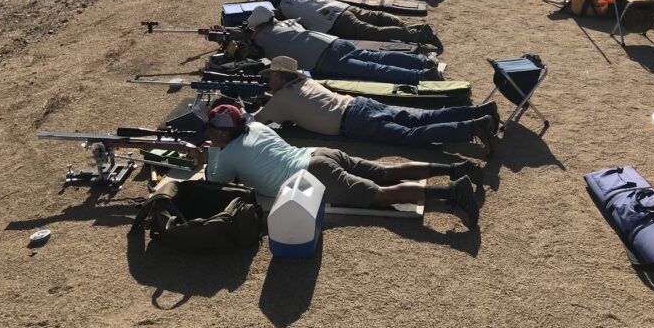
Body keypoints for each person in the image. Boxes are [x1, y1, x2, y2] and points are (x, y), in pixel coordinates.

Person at [201, 105, 481, 227]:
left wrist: (209, 155)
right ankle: (456, 168)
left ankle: (453, 190)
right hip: (320, 154)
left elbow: (214, 182)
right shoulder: (257, 127)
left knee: (380, 195)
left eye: (211, 130)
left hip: (312, 176)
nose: (208, 134)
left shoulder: (226, 155)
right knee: (385, 172)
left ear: (223, 134)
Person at [253, 56, 498, 153]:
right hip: (361, 105)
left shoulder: (280, 100)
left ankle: (472, 128)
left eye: (271, 76)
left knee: (411, 135)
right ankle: (476, 112)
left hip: (353, 121)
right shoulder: (306, 83)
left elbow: (256, 123)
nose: (269, 80)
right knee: (420, 118)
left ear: (280, 76)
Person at [246, 5, 442, 83]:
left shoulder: (260, 38)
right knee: (375, 57)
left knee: (373, 69)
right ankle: (424, 62)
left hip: (322, 59)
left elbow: (250, 50)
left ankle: (424, 75)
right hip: (332, 42)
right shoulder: (287, 23)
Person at [272, 0, 443, 52]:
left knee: (374, 32)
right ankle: (413, 28)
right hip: (341, 7)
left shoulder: (285, 6)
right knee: (378, 17)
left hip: (333, 20)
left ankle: (417, 35)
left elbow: (291, 23)